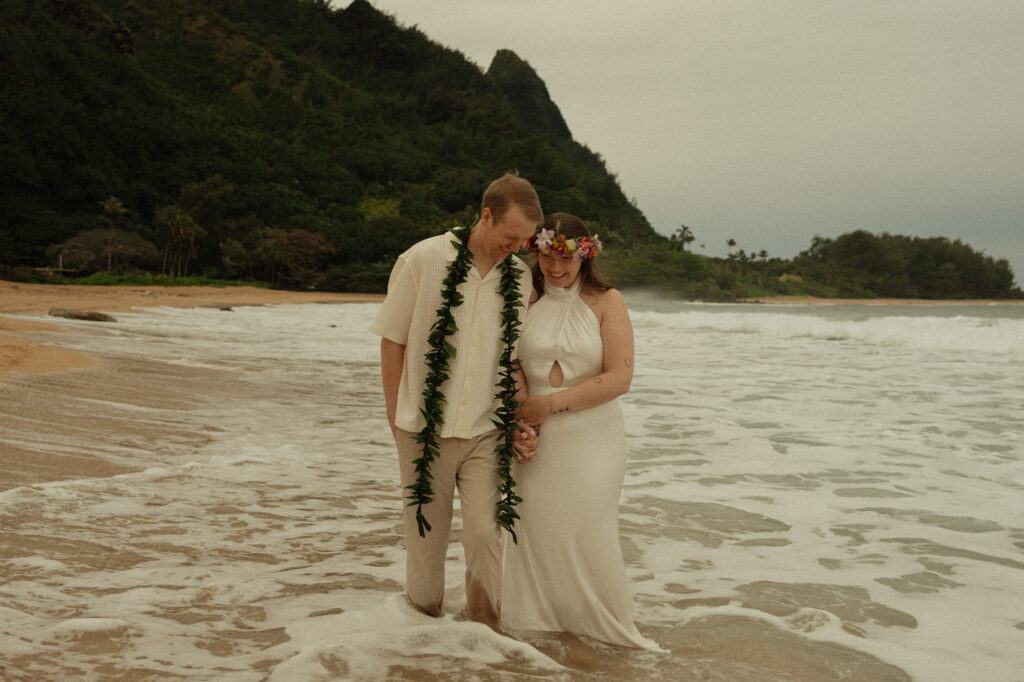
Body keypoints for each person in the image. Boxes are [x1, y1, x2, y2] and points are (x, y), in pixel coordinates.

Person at [370, 173, 542, 628]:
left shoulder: (520, 279)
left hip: (486, 429)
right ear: (485, 216)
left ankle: (482, 641)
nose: (518, 247)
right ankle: (422, 639)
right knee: (426, 542)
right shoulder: (423, 259)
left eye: (525, 240)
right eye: (511, 236)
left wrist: (524, 420)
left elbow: (515, 360)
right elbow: (392, 339)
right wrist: (395, 417)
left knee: (487, 535)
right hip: (423, 428)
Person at [501, 212, 659, 649]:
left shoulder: (609, 302)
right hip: (535, 437)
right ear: (537, 252)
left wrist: (546, 406)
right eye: (548, 257)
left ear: (585, 255)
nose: (556, 268)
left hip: (593, 439)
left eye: (566, 260)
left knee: (588, 527)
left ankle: (599, 627)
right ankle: (534, 628)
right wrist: (521, 418)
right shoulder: (522, 297)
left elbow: (618, 378)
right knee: (535, 527)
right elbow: (509, 362)